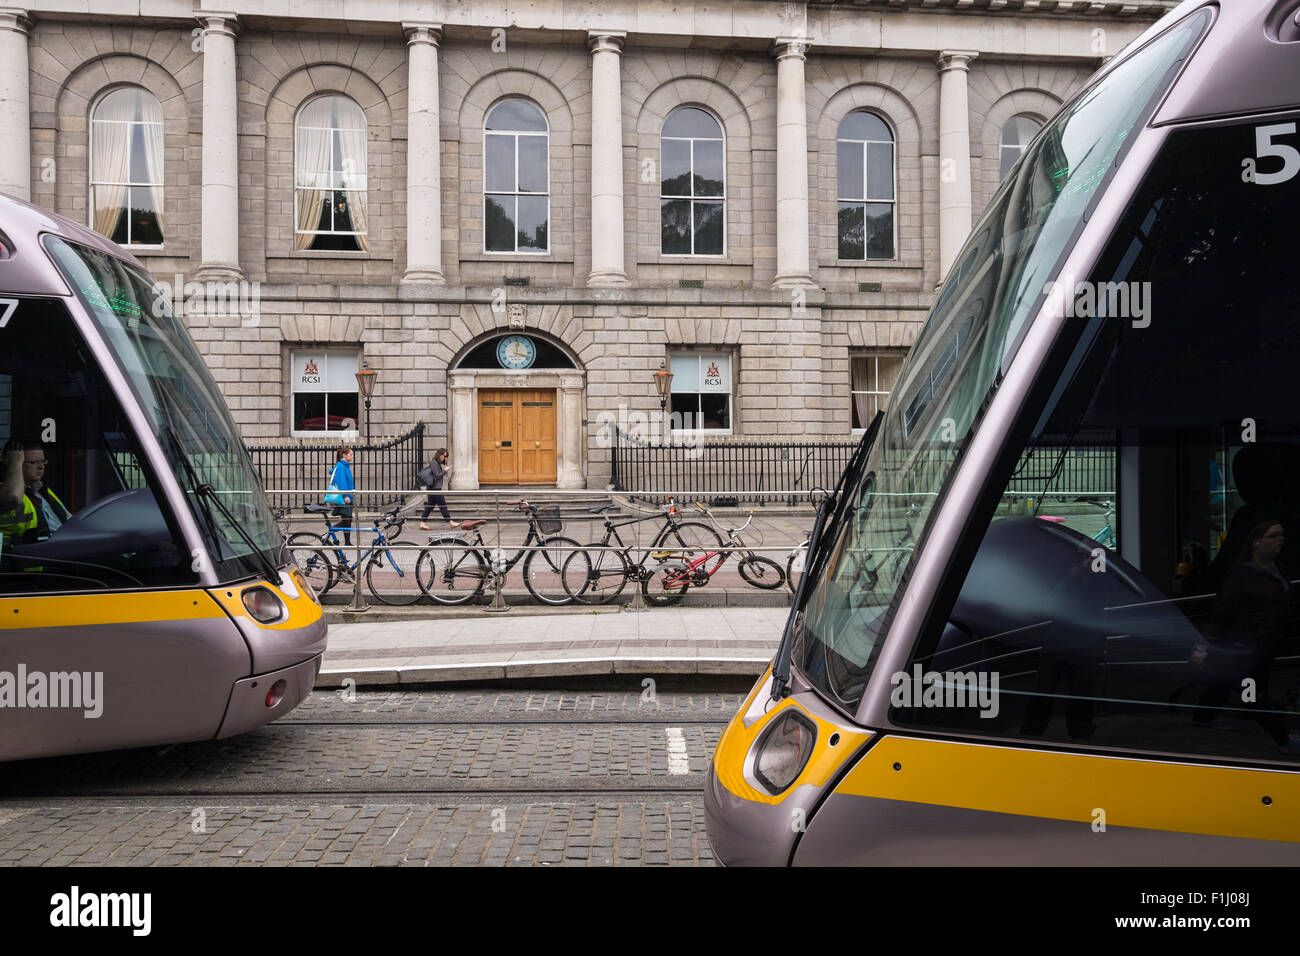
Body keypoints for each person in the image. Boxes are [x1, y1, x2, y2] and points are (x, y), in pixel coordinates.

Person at [1192, 519, 1300, 754]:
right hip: (1245, 649)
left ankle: (1201, 717)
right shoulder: (1243, 576)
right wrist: (1204, 645)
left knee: (1224, 683)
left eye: (1281, 535)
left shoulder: (1276, 569)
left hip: (1262, 646)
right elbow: (1222, 611)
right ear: (1257, 542)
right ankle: (1283, 740)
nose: (1280, 539)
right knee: (1254, 695)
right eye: (1273, 535)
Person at [0, 438, 71, 543]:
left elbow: (70, 519)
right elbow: (13, 497)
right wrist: (15, 463)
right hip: (24, 555)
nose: (41, 467)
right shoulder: (5, 491)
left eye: (43, 461)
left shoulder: (42, 490)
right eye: (33, 462)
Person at [418, 448, 458, 531]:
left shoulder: (436, 463)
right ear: (439, 455)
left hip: (433, 488)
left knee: (430, 506)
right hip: (435, 489)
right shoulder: (434, 463)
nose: (444, 458)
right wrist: (445, 471)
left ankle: (422, 523)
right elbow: (437, 476)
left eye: (446, 456)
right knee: (443, 505)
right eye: (444, 456)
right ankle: (450, 522)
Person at [327, 445, 355, 547]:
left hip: (347, 496)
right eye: (350, 454)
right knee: (346, 520)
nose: (352, 456)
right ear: (344, 455)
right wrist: (346, 495)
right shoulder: (341, 466)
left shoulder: (344, 465)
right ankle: (329, 532)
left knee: (347, 520)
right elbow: (341, 482)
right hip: (345, 497)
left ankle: (347, 542)